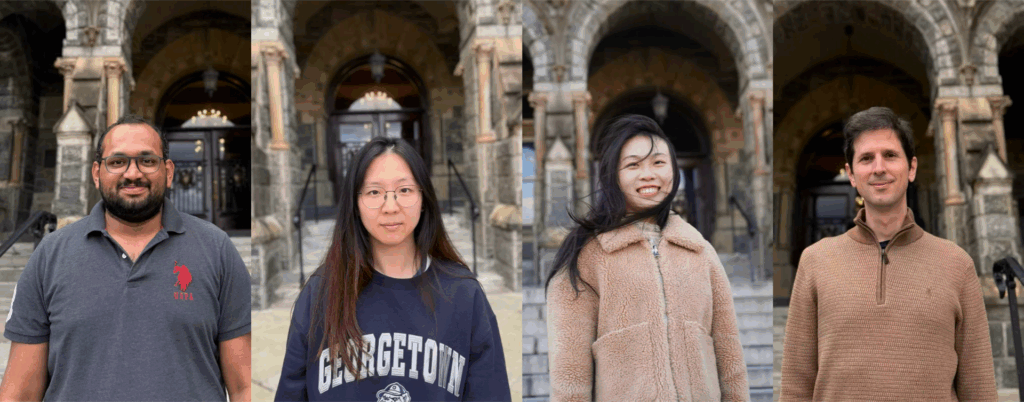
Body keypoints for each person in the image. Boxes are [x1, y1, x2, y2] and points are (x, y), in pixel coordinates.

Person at [0, 115, 252, 401]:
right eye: (118, 162)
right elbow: (20, 393)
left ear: (169, 171)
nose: (133, 173)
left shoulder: (217, 249)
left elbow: (243, 387)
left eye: (147, 161)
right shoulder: (50, 255)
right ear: (97, 173)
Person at [779, 107, 997, 400]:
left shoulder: (957, 264)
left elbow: (979, 386)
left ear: (912, 168)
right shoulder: (815, 261)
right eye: (866, 158)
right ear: (851, 174)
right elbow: (796, 384)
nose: (879, 167)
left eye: (890, 155)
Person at [275, 137, 511, 401]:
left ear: (423, 198)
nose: (390, 207)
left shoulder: (464, 294)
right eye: (374, 192)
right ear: (355, 203)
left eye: (405, 190)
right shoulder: (320, 293)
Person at [545, 114, 749, 401]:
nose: (648, 174)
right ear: (613, 176)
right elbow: (569, 372)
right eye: (633, 165)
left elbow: (730, 355)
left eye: (658, 162)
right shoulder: (587, 255)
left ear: (674, 170)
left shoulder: (701, 251)